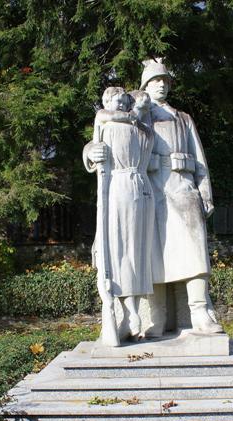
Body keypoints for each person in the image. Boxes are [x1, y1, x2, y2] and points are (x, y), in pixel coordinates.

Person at [140, 59, 223, 335]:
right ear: (145, 86)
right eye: (155, 80)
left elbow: (199, 159)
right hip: (152, 192)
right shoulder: (136, 118)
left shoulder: (183, 118)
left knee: (195, 251)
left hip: (183, 189)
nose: (161, 85)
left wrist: (205, 192)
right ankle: (157, 318)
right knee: (154, 255)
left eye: (164, 80)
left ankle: (200, 311)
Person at [83, 87, 155, 341]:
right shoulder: (110, 122)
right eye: (116, 101)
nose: (120, 106)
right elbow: (94, 143)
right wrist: (91, 153)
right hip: (119, 189)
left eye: (124, 102)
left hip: (136, 191)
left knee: (135, 252)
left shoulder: (142, 130)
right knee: (118, 250)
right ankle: (126, 313)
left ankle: (134, 313)